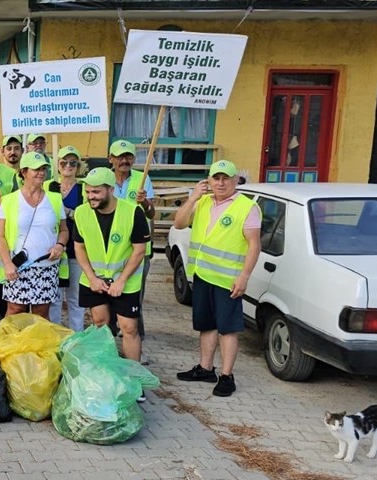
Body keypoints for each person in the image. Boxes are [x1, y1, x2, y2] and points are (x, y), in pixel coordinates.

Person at [173, 160, 262, 397]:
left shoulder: (246, 207)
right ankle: (205, 368)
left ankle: (226, 376)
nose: (221, 183)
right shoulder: (202, 202)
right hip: (202, 275)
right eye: (216, 178)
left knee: (228, 329)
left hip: (228, 280)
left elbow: (254, 244)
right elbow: (179, 223)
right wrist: (192, 198)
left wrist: (244, 276)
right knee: (206, 325)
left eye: (226, 178)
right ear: (208, 181)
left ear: (235, 181)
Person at [73, 167, 152, 369]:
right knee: (100, 323)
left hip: (125, 281)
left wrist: (121, 280)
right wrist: (91, 278)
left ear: (110, 190)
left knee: (129, 327)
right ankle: (105, 370)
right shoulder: (81, 213)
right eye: (88, 191)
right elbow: (79, 248)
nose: (91, 196)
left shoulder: (133, 212)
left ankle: (133, 375)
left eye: (96, 192)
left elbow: (139, 251)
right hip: (95, 279)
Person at [0, 152, 69, 318]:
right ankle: (12, 344)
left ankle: (36, 345)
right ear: (23, 172)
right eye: (36, 169)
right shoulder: (8, 200)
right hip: (17, 266)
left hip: (46, 267)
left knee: (41, 314)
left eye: (43, 168)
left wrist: (59, 245)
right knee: (15, 310)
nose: (41, 172)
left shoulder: (55, 199)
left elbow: (64, 230)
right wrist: (7, 264)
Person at [109, 138, 157, 338]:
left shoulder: (142, 178)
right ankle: (109, 339)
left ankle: (137, 339)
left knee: (134, 297)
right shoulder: (105, 179)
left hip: (137, 250)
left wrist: (145, 202)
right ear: (110, 159)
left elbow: (152, 213)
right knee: (108, 297)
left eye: (128, 155)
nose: (124, 160)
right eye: (119, 156)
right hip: (110, 250)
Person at [48, 146, 86, 331]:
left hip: (75, 250)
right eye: (64, 162)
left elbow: (89, 216)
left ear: (78, 166)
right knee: (54, 298)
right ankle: (55, 338)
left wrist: (70, 213)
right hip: (53, 250)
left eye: (73, 162)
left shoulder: (84, 189)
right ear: (58, 165)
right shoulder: (49, 186)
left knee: (75, 298)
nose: (68, 166)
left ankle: (76, 338)